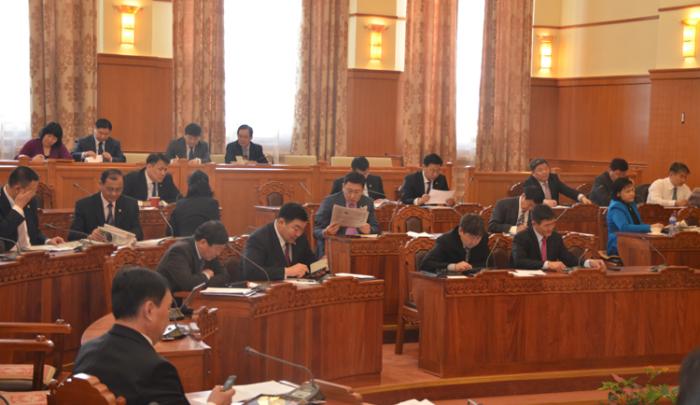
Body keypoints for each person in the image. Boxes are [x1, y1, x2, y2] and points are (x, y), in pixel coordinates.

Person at [73, 267, 235, 405]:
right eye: (168, 307)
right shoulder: (156, 370)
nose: (169, 316)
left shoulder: (87, 350)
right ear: (149, 310)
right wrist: (214, 403)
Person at [512, 204, 605, 271]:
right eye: (547, 225)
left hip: (550, 280)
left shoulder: (555, 237)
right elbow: (519, 261)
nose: (550, 228)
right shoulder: (521, 237)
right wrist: (548, 264)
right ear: (534, 224)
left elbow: (568, 259)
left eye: (553, 224)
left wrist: (588, 263)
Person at [242, 202, 315, 281]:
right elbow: (251, 272)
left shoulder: (300, 237)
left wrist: (321, 265)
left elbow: (310, 264)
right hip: (271, 287)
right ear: (281, 222)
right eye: (296, 229)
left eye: (302, 230)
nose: (299, 234)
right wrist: (286, 272)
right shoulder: (259, 239)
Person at [313, 172, 380, 257]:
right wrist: (326, 232)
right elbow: (316, 230)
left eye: (357, 192)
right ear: (343, 187)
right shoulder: (329, 201)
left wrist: (369, 230)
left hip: (359, 247)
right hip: (335, 247)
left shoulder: (368, 202)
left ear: (362, 190)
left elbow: (376, 228)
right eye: (349, 191)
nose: (352, 196)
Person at [68, 169, 143, 241]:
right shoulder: (84, 205)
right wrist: (89, 236)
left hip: (121, 248)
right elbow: (72, 235)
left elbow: (139, 233)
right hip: (95, 248)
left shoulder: (130, 204)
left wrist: (125, 236)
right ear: (100, 184)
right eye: (110, 189)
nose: (114, 194)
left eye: (118, 189)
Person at [0, 166, 63, 251]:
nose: (34, 194)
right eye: (32, 191)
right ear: (17, 189)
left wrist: (47, 241)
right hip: (7, 255)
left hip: (30, 253)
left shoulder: (31, 201)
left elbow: (34, 231)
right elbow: (2, 232)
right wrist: (18, 208)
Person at [156, 220, 230, 293]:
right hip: (171, 298)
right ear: (203, 242)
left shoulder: (209, 253)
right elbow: (188, 284)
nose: (218, 253)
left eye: (221, 250)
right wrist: (206, 275)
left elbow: (224, 277)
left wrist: (201, 281)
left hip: (192, 297)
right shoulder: (179, 251)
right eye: (217, 249)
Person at [607, 177, 663, 256]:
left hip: (633, 240)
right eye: (628, 191)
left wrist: (654, 228)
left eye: (633, 190)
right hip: (619, 244)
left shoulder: (631, 204)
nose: (632, 194)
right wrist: (650, 227)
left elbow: (638, 224)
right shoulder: (616, 207)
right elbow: (624, 228)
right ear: (618, 194)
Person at [420, 214, 490, 273]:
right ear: (460, 231)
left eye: (477, 238)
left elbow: (489, 265)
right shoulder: (446, 241)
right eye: (471, 237)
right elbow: (426, 264)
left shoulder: (484, 239)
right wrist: (453, 267)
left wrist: (473, 268)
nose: (474, 242)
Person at [167, 170, 220, 237]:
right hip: (205, 242)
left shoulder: (180, 204)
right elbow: (216, 231)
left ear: (189, 186)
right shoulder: (212, 204)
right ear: (207, 185)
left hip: (183, 242)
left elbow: (170, 231)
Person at [523, 158, 592, 207]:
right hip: (538, 215)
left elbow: (567, 190)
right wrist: (543, 202)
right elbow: (530, 199)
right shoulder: (529, 182)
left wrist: (581, 197)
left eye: (546, 168)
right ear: (533, 173)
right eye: (540, 170)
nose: (544, 172)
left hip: (555, 213)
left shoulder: (553, 178)